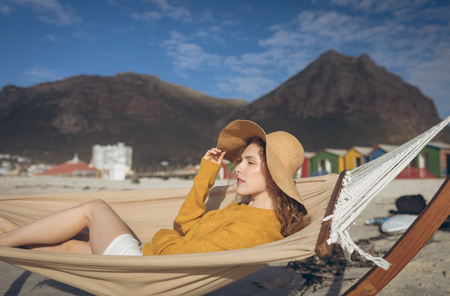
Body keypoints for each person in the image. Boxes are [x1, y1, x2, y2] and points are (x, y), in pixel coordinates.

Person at [0, 120, 309, 256]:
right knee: (65, 246)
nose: (237, 167)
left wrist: (162, 237)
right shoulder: (243, 210)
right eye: (240, 160)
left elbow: (181, 251)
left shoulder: (255, 229)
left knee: (94, 209)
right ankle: (5, 234)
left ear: (274, 177)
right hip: (145, 257)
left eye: (250, 163)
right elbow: (184, 225)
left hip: (143, 266)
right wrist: (206, 174)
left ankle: (5, 237)